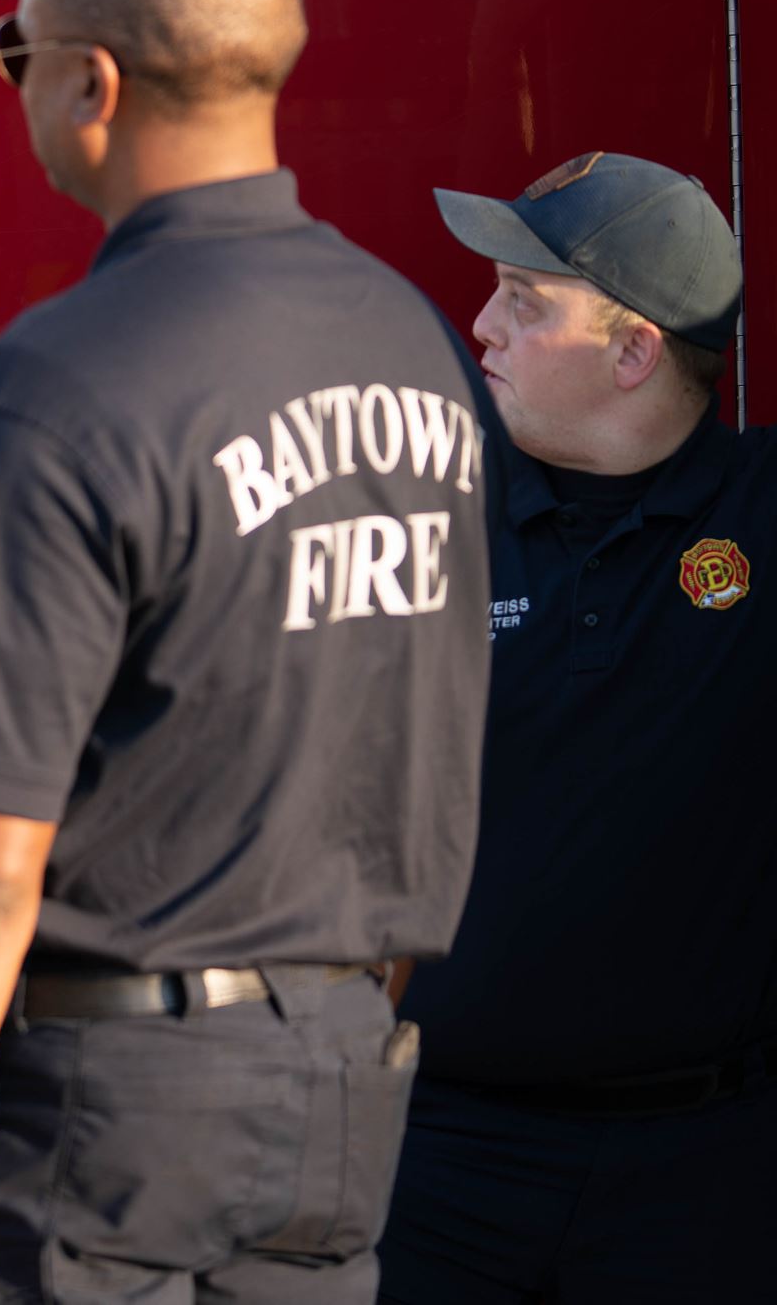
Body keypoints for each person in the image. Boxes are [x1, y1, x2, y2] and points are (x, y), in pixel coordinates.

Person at [0, 0, 493, 1305]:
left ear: (91, 82)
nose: (15, 85)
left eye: (17, 53)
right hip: (345, 1087)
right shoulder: (412, 343)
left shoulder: (59, 389)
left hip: (106, 1124)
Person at [378, 153, 776, 1303]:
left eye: (523, 299)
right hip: (439, 1158)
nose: (479, 326)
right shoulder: (425, 521)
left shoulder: (758, 519)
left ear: (633, 349)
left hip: (703, 1174)